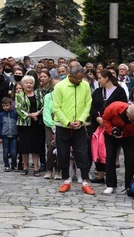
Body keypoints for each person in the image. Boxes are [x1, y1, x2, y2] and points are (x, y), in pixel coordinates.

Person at [53, 64, 95, 195]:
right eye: (78, 79)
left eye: (82, 79)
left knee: (82, 153)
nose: (80, 81)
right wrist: (67, 122)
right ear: (70, 76)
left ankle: (85, 182)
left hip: (80, 126)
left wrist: (81, 120)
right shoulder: (60, 86)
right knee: (63, 154)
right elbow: (56, 107)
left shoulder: (85, 85)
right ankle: (66, 181)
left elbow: (88, 103)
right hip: (63, 126)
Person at [102, 102, 134, 194]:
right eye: (132, 120)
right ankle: (110, 184)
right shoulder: (114, 107)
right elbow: (105, 119)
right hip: (111, 134)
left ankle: (129, 185)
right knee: (110, 157)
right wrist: (111, 130)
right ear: (127, 113)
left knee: (131, 159)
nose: (133, 122)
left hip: (129, 135)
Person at [89, 70, 127, 183]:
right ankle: (100, 174)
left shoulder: (119, 91)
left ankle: (110, 174)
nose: (98, 80)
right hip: (98, 124)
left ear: (107, 78)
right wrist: (97, 117)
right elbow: (92, 107)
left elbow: (122, 107)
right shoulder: (97, 92)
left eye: (100, 78)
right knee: (97, 147)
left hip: (113, 125)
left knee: (109, 149)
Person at [15, 75, 44, 176]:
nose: (29, 84)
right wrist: (29, 115)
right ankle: (25, 167)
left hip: (36, 123)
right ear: (22, 85)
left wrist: (37, 113)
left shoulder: (38, 94)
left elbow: (42, 105)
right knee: (24, 147)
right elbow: (18, 108)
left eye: (30, 83)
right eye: (26, 83)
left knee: (35, 147)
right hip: (24, 124)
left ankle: (36, 168)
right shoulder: (19, 95)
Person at [0, 97, 18, 172]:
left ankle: (14, 164)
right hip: (4, 135)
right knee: (5, 151)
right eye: (4, 106)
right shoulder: (1, 114)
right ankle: (6, 165)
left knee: (14, 151)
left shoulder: (15, 113)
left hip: (14, 135)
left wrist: (18, 135)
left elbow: (17, 124)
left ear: (10, 105)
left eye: (7, 105)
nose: (5, 107)